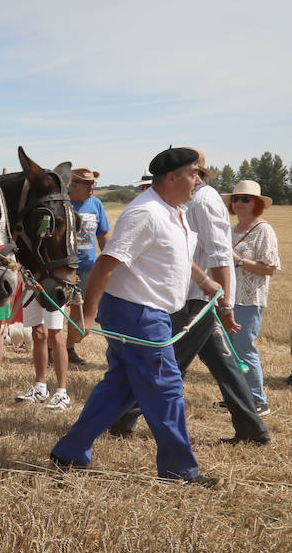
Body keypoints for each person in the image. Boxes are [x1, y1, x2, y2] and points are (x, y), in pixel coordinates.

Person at [49, 147, 219, 486]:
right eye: (194, 173)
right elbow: (105, 264)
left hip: (147, 311)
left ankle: (68, 452)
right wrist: (88, 315)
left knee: (120, 387)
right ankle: (179, 470)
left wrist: (202, 279)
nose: (198, 180)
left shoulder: (175, 211)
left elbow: (176, 257)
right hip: (137, 314)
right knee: (166, 388)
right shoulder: (146, 213)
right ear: (171, 177)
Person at [108, 152, 269, 445]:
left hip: (196, 298)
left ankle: (123, 418)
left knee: (165, 362)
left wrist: (225, 304)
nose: (194, 179)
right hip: (189, 294)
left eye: (196, 174)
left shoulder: (205, 201)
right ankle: (252, 429)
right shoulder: (182, 201)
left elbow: (219, 254)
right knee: (222, 363)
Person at [226, 180, 279, 413]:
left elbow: (270, 268)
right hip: (227, 298)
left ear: (256, 203)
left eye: (245, 199)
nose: (238, 203)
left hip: (249, 299)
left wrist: (238, 260)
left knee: (245, 347)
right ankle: (239, 397)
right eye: (235, 199)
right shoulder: (231, 229)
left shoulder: (263, 230)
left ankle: (258, 400)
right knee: (229, 350)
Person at [64, 168, 110, 365]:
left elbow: (103, 234)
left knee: (78, 309)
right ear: (74, 184)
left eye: (93, 183)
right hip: (64, 267)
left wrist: (109, 259)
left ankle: (68, 349)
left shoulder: (96, 204)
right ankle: (51, 349)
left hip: (87, 268)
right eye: (87, 183)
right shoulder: (63, 203)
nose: (92, 187)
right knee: (55, 309)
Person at [15, 292, 71, 409]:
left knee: (55, 334)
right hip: (32, 283)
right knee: (37, 333)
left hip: (53, 283)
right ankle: (40, 388)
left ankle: (62, 394)